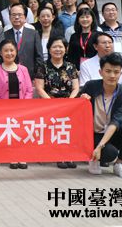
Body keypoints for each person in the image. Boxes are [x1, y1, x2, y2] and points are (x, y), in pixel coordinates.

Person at [81, 53, 122, 179]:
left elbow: (116, 121)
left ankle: (120, 163)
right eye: (108, 71)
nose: (112, 75)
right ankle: (93, 159)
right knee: (109, 154)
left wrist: (100, 146)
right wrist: (82, 99)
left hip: (113, 132)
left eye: (116, 72)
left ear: (121, 74)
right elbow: (76, 109)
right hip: (93, 134)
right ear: (101, 72)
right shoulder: (90, 86)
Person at [34, 36, 79, 169]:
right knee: (56, 130)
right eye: (54, 47)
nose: (58, 49)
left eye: (61, 47)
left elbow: (76, 88)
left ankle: (70, 155)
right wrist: (52, 104)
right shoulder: (43, 66)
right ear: (49, 49)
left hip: (69, 105)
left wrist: (70, 103)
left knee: (68, 130)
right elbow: (39, 88)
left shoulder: (71, 67)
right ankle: (59, 155)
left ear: (66, 49)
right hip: (49, 105)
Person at [0, 40, 33, 169]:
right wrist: (3, 107)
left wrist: (24, 105)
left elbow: (29, 90)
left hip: (22, 108)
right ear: (0, 53)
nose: (9, 53)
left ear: (16, 52)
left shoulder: (23, 69)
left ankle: (22, 156)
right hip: (4, 109)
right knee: (10, 132)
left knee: (22, 132)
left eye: (12, 50)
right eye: (6, 51)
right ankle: (12, 156)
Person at [3, 3, 43, 80]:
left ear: (25, 17)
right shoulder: (4, 35)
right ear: (9, 17)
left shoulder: (33, 34)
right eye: (13, 15)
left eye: (19, 15)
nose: (16, 17)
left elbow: (39, 57)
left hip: (30, 76)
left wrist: (37, 76)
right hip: (9, 75)